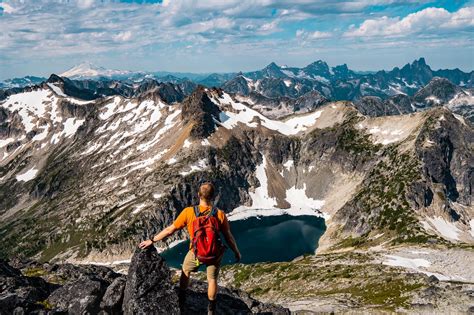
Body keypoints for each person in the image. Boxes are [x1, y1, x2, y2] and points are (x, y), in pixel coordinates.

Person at [139, 182, 241, 315]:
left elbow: (171, 229)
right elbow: (228, 236)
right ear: (212, 196)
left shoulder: (189, 212)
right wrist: (236, 252)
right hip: (213, 254)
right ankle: (211, 309)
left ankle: (182, 298)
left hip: (196, 252)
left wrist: (152, 240)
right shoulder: (219, 214)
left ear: (198, 195)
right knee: (212, 279)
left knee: (186, 270)